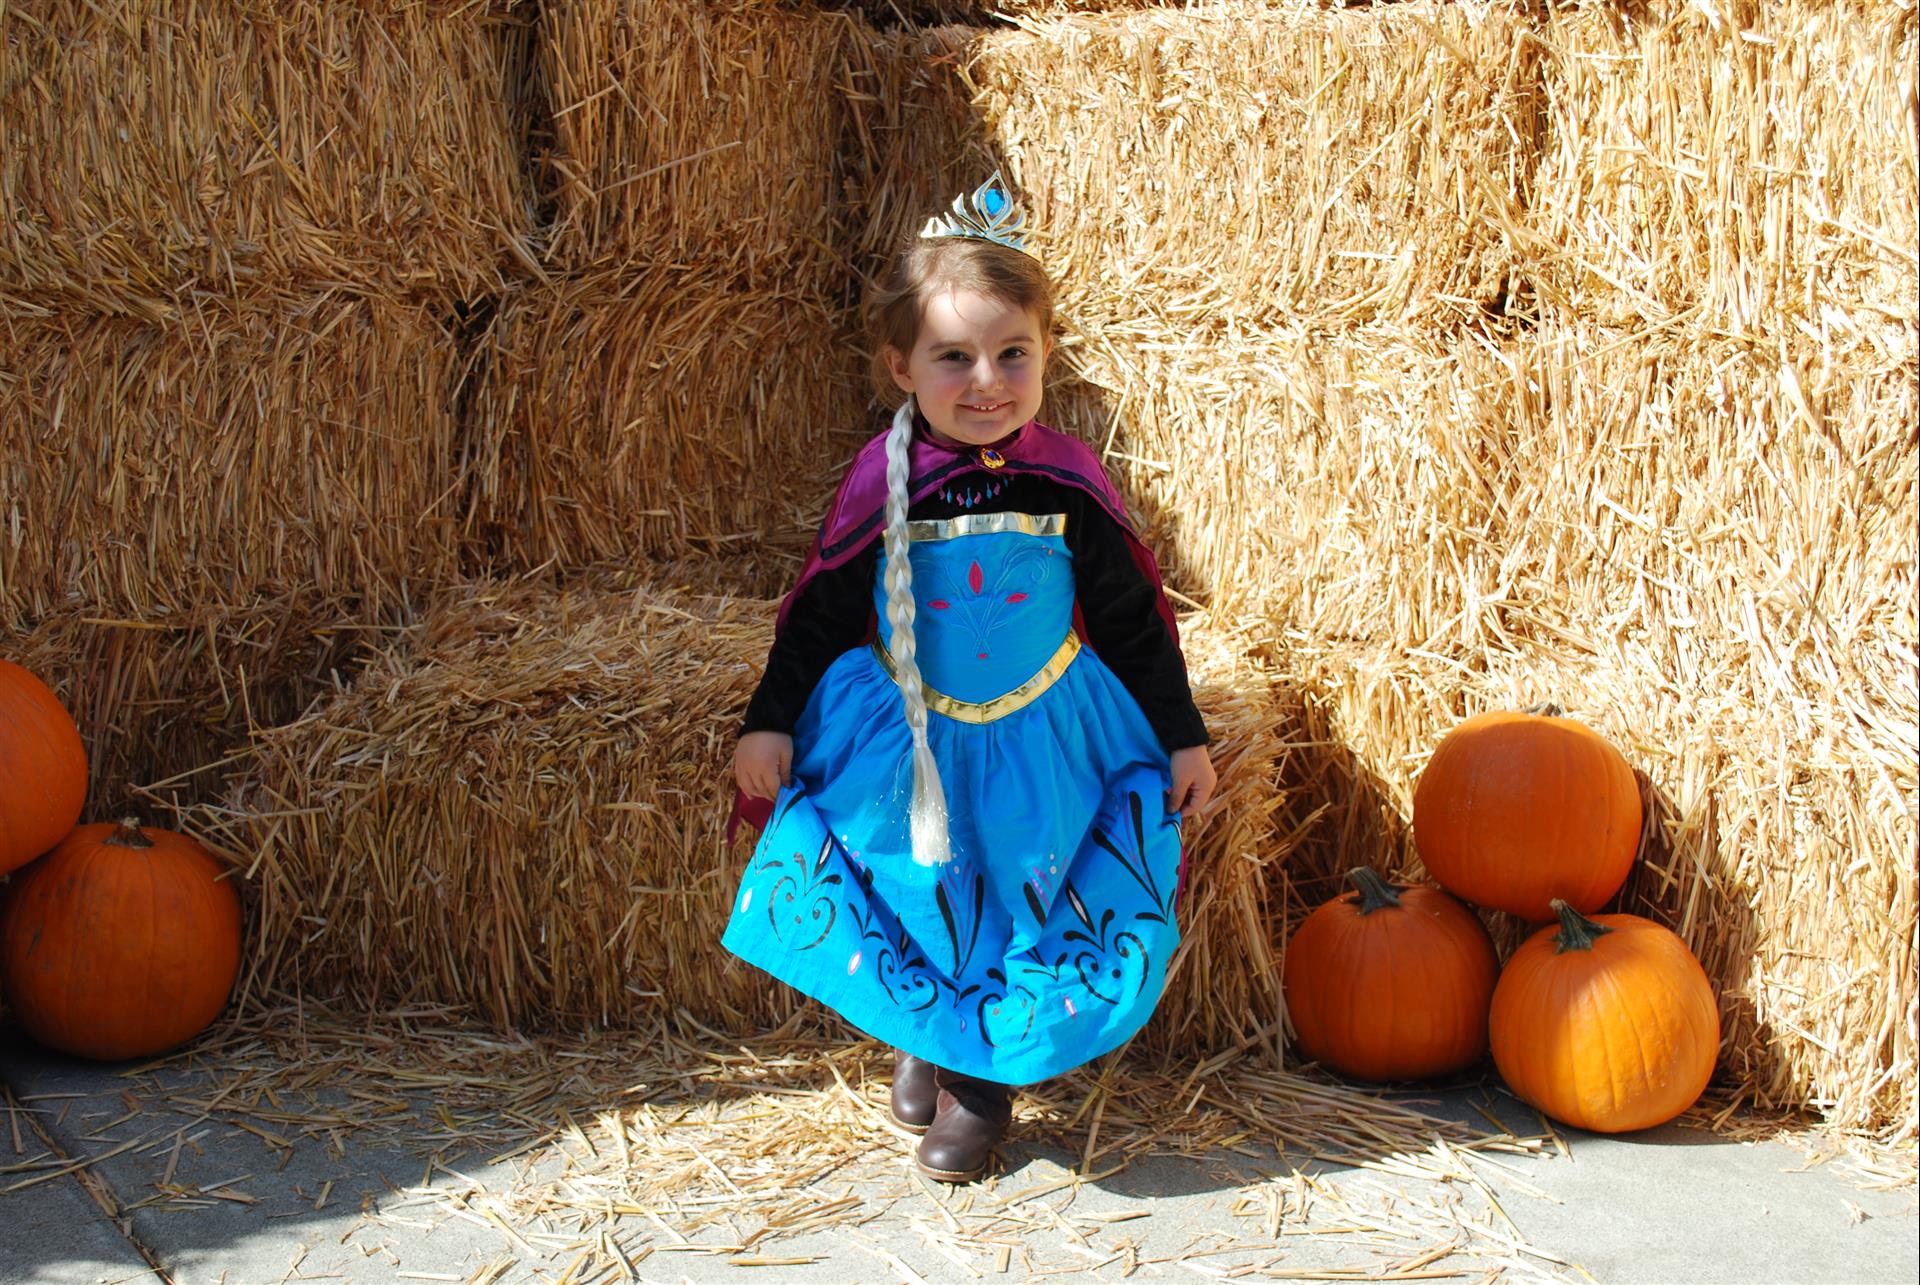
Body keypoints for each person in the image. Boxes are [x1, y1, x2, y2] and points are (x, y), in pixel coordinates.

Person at [722, 174, 1215, 1184]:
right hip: (921, 734)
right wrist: (770, 722)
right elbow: (819, 608)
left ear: (1045, 354)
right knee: (921, 884)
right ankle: (937, 1036)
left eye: (1011, 354)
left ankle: (977, 1093)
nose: (985, 379)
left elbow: (1131, 618)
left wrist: (1181, 734)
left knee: (1021, 897)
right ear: (901, 364)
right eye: (954, 356)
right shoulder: (882, 480)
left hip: (1044, 733)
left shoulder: (1068, 477)